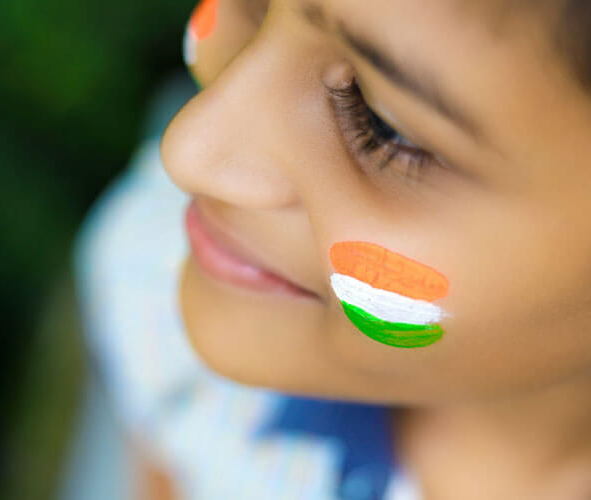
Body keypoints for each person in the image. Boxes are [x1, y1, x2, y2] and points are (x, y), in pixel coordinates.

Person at [71, 0, 591, 498]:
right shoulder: (161, 272)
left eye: (382, 124)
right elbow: (172, 453)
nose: (188, 152)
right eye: (255, 5)